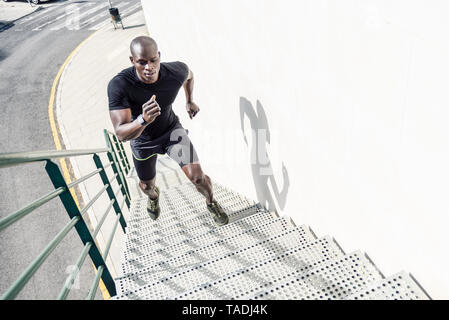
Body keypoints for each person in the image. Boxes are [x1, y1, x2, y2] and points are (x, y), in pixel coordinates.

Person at [107, 36, 229, 226]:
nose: (149, 67)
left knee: (198, 177)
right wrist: (143, 119)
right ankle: (154, 197)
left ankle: (211, 202)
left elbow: (190, 76)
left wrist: (189, 100)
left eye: (153, 60)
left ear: (159, 56)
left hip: (172, 133)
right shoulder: (120, 85)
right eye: (142, 62)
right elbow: (121, 133)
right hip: (142, 141)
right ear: (132, 61)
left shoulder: (175, 71)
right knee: (147, 186)